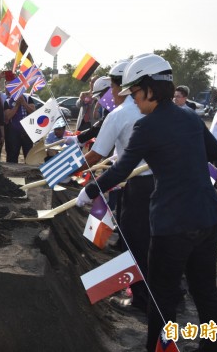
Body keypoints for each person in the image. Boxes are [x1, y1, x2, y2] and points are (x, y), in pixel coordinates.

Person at [77, 54, 217, 352]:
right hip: (208, 217)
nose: (133, 99)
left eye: (134, 93)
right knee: (205, 290)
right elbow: (214, 151)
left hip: (173, 223)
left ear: (150, 89)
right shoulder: (190, 116)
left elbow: (120, 171)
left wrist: (90, 191)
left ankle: (158, 348)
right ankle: (214, 347)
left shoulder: (147, 126)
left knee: (162, 296)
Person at [71, 66, 154, 313]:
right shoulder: (153, 111)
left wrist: (78, 176)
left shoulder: (120, 114)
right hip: (158, 183)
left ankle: (142, 298)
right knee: (149, 239)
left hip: (137, 183)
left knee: (136, 241)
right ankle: (155, 289)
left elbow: (98, 154)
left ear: (116, 88)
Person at [3, 91, 35, 163]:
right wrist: (17, 105)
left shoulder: (28, 98)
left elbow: (33, 111)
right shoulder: (8, 101)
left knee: (28, 154)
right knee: (12, 154)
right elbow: (8, 116)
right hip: (14, 131)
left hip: (27, 131)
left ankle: (29, 171)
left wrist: (24, 103)